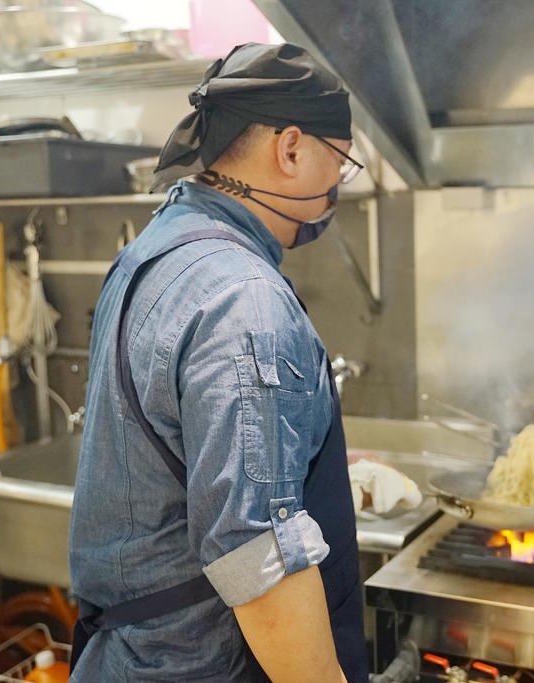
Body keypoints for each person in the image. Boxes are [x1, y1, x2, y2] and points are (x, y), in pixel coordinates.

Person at [67, 43, 368, 682]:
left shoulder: (159, 246)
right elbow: (256, 553)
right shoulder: (244, 298)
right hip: (201, 664)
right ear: (291, 149)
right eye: (339, 160)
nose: (338, 184)